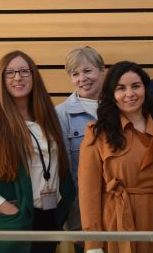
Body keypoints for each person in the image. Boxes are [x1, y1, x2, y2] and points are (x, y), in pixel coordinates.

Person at [0, 51, 74, 253]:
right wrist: (7, 209)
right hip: (6, 229)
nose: (17, 77)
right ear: (0, 79)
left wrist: (60, 211)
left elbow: (60, 169)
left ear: (33, 76)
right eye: (9, 73)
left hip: (47, 223)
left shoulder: (49, 120)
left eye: (23, 71)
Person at [79, 61, 153, 253]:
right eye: (121, 88)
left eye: (136, 86)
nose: (130, 94)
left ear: (145, 90)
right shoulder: (98, 134)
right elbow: (88, 194)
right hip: (115, 225)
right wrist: (93, 245)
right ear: (111, 94)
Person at [54, 46, 105, 249]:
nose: (82, 78)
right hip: (82, 218)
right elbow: (66, 174)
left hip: (119, 214)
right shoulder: (61, 115)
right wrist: (76, 222)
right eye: (75, 74)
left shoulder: (121, 107)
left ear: (103, 71)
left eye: (87, 71)